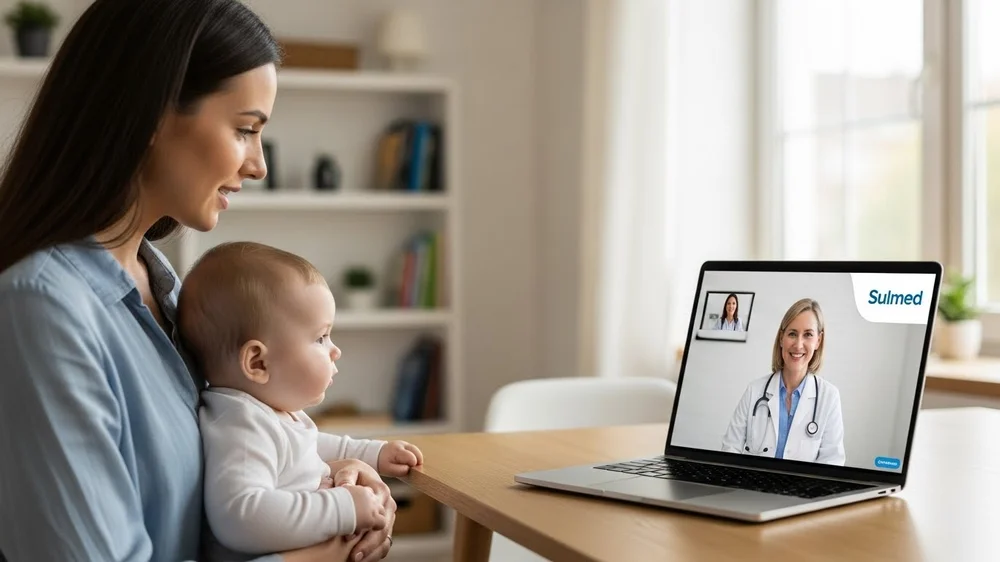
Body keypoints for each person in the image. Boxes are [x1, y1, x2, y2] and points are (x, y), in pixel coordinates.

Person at [0, 1, 396, 560]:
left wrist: (335, 476)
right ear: (151, 116)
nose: (258, 164)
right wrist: (319, 552)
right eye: (245, 129)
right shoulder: (44, 309)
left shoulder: (165, 292)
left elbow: (207, 495)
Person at [178, 242, 424, 560]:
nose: (334, 350)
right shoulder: (240, 425)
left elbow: (309, 444)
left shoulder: (265, 413)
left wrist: (371, 453)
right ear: (257, 363)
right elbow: (242, 515)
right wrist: (344, 507)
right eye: (321, 338)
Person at [721, 298, 846, 465]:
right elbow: (730, 449)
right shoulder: (754, 391)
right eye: (792, 334)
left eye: (808, 334)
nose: (798, 344)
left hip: (802, 489)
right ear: (781, 338)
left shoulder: (829, 397)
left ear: (818, 341)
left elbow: (832, 462)